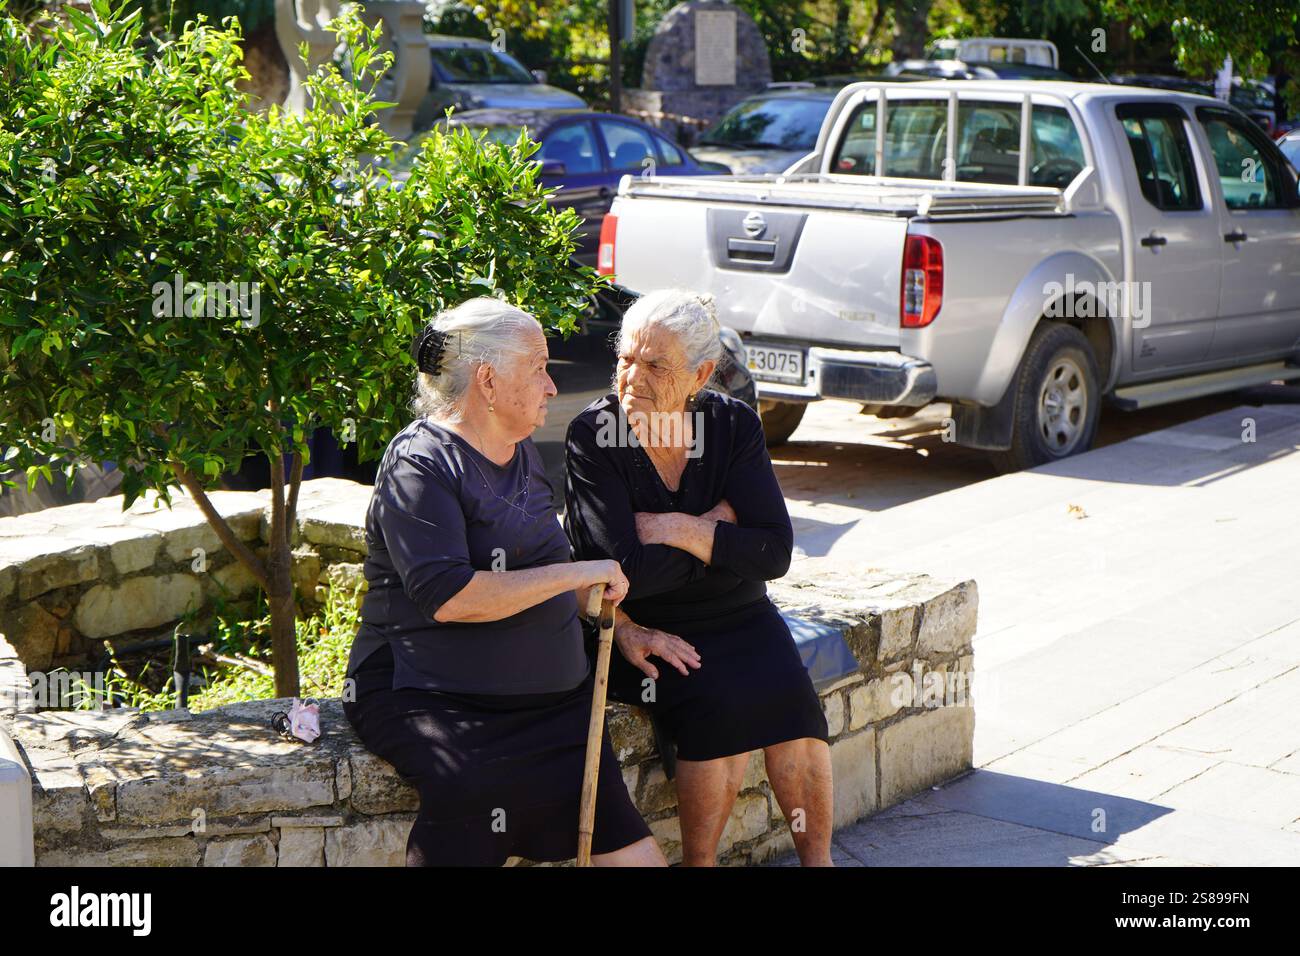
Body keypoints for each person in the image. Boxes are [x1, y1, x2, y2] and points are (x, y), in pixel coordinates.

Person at [342, 296, 664, 867]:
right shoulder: (420, 463)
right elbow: (451, 597)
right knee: (471, 791)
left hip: (553, 709)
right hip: (439, 700)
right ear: (487, 381)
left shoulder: (519, 454)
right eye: (538, 367)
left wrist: (599, 601)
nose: (549, 385)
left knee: (633, 851)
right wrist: (579, 572)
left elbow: (541, 570)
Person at [563, 288, 834, 866]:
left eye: (654, 364)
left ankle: (820, 861)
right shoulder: (596, 436)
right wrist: (718, 533)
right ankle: (700, 862)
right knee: (717, 702)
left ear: (701, 373)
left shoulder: (731, 423)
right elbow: (624, 572)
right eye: (625, 358)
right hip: (642, 627)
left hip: (741, 612)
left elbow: (776, 551)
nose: (632, 376)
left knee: (794, 705)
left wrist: (678, 527)